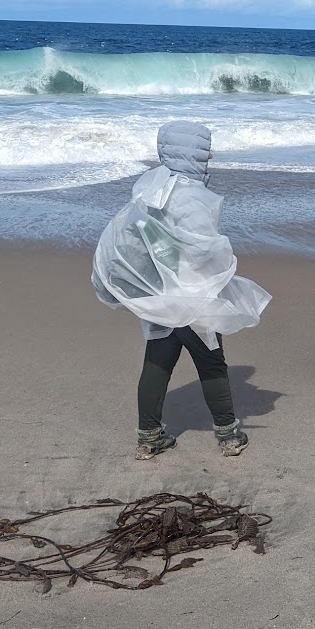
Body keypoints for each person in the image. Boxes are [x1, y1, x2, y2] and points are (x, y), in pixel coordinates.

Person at [92, 121, 271, 460]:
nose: (211, 156)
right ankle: (229, 435)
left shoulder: (151, 187)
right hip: (191, 297)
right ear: (192, 153)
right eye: (206, 150)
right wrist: (220, 267)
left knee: (158, 362)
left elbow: (138, 239)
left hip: (159, 295)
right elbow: (203, 250)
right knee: (212, 362)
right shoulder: (191, 195)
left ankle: (149, 437)